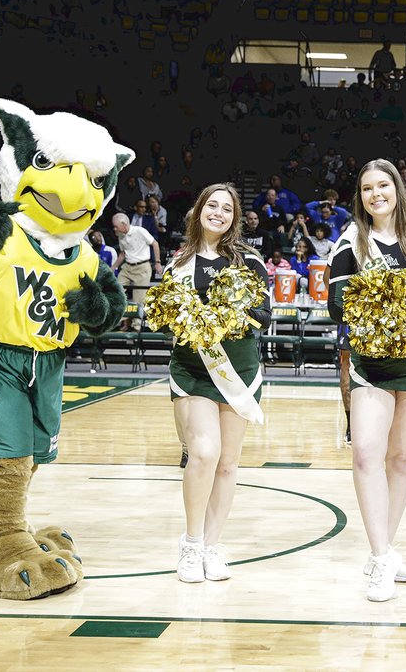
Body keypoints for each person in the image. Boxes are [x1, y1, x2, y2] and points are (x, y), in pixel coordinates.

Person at [327, 159, 406, 602]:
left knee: (400, 461)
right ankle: (380, 559)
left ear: (398, 189)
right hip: (369, 365)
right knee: (365, 455)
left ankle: (386, 548)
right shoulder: (349, 245)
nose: (375, 194)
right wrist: (375, 310)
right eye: (366, 189)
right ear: (359, 198)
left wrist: (403, 309)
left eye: (383, 185)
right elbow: (336, 307)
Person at [169, 183, 271, 584]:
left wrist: (231, 314)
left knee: (228, 464)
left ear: (235, 217)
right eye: (211, 205)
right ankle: (191, 545)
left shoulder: (250, 261)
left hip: (240, 373)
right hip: (195, 371)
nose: (218, 213)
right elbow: (166, 321)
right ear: (198, 211)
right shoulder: (179, 263)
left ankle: (212, 546)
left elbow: (263, 314)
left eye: (227, 208)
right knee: (205, 453)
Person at [111, 213, 162, 329]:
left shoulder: (140, 231)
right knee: (116, 291)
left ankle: (136, 326)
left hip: (142, 267)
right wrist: (113, 268)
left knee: (139, 298)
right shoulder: (120, 235)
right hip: (128, 267)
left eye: (116, 226)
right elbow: (123, 254)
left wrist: (158, 263)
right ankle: (124, 320)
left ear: (124, 225)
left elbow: (155, 244)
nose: (114, 229)